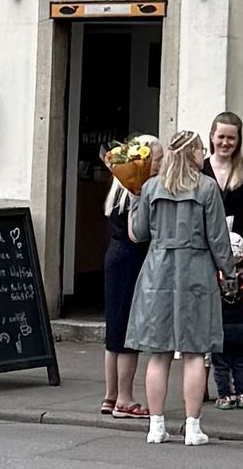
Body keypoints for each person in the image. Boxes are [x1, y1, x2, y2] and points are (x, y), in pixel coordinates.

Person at [125, 128, 239, 446]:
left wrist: (135, 200)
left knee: (157, 353)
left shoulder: (151, 187)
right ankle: (192, 427)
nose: (205, 154)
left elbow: (139, 233)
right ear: (193, 153)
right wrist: (230, 273)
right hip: (196, 272)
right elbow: (218, 238)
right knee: (195, 352)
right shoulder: (206, 187)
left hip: (157, 271)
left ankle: (156, 426)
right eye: (201, 149)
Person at [202, 111, 243, 408]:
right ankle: (201, 382)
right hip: (205, 251)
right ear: (212, 137)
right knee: (205, 317)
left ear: (238, 141)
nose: (225, 142)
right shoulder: (201, 169)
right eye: (221, 136)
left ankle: (238, 387)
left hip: (237, 253)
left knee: (235, 321)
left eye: (231, 138)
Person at [102, 136, 161, 420]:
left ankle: (110, 395)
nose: (162, 164)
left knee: (114, 329)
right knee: (128, 332)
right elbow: (137, 233)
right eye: (158, 159)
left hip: (115, 258)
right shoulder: (136, 191)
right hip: (131, 261)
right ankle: (125, 400)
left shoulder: (118, 190)